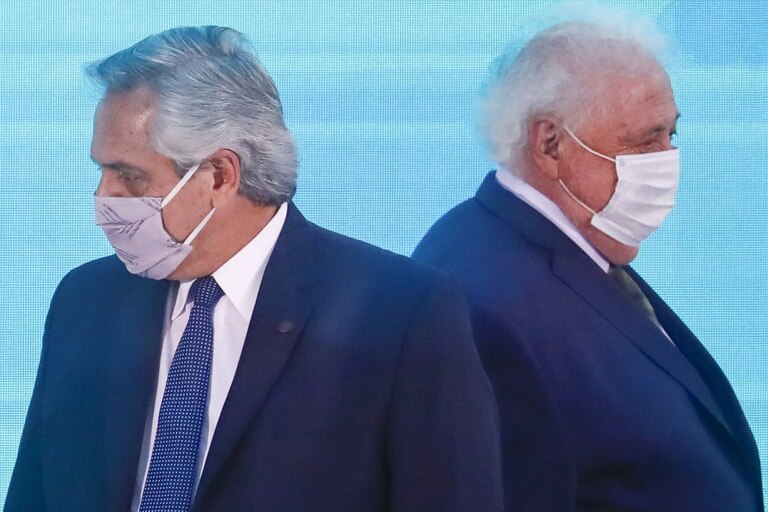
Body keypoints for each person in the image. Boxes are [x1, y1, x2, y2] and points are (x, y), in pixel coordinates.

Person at [5, 26, 503, 512]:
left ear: (220, 175)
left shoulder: (400, 314)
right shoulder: (86, 301)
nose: (104, 197)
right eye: (101, 170)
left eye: (129, 176)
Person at [413, 10, 764, 512]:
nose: (666, 160)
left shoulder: (572, 247)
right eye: (644, 141)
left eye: (671, 135)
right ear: (550, 143)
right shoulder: (487, 299)